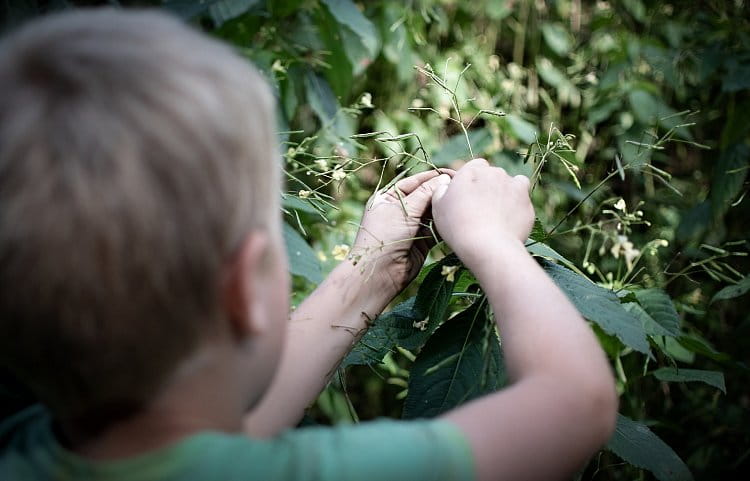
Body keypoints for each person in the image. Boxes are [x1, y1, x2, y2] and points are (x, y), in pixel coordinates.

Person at [0, 8, 617, 481]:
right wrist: (491, 240)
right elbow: (576, 403)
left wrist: (366, 276)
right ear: (245, 286)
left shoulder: (25, 449)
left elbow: (224, 431)